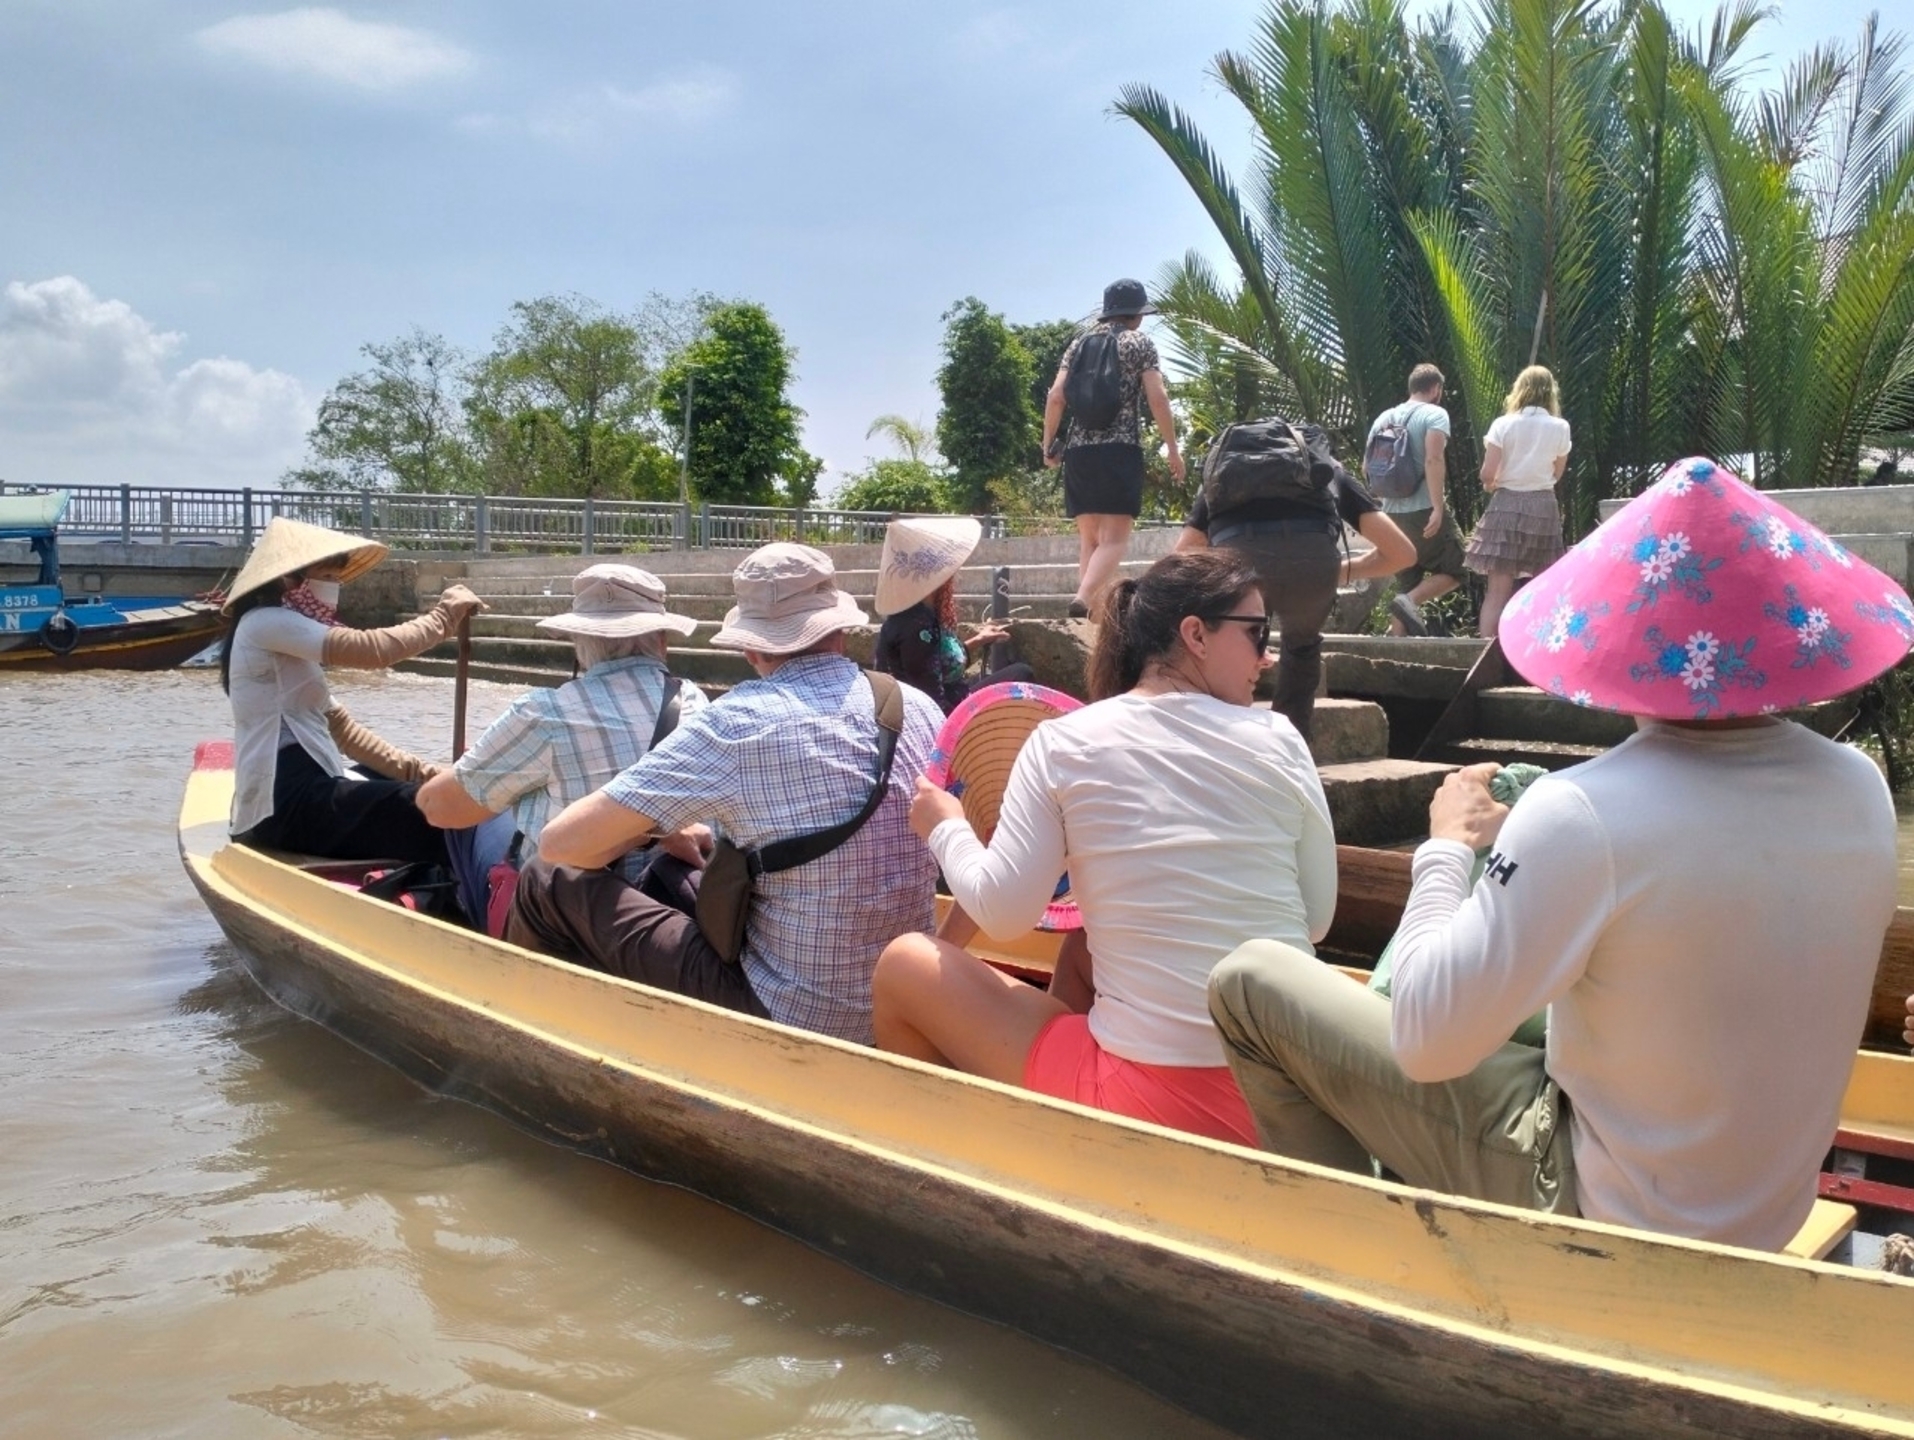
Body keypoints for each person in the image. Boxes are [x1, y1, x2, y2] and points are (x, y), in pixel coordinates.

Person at [1207, 457, 1908, 1251]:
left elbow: (1425, 1041)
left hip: (1604, 1210)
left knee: (1249, 982)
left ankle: (1351, 1254)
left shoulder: (1580, 811)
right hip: (1767, 1215)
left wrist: (1445, 850)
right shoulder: (1862, 787)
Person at [872, 551, 1337, 1146]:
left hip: (1156, 1103)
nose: (1265, 657)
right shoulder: (1282, 737)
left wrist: (945, 826)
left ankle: (954, 1153)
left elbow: (1005, 913)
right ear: (1195, 635)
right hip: (1296, 1098)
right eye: (1256, 633)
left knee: (904, 962)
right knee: (1082, 944)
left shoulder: (1064, 742)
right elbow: (1315, 920)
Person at [507, 543, 943, 1042]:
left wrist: (656, 830)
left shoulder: (736, 722)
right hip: (903, 1002)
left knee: (545, 879)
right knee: (675, 872)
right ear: (840, 631)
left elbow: (560, 844)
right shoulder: (918, 707)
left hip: (790, 1013)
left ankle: (526, 1029)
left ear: (750, 648)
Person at [415, 563, 709, 931]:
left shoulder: (545, 713)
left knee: (471, 817)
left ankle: (479, 928)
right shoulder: (696, 702)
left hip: (560, 923)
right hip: (661, 913)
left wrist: (487, 774)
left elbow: (437, 808)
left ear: (579, 643)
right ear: (662, 640)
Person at [220, 516, 484, 861]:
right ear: (288, 579)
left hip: (310, 782)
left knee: (425, 793)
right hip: (284, 800)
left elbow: (346, 733)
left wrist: (433, 776)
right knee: (428, 812)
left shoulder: (290, 643)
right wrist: (444, 616)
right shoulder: (264, 623)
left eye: (336, 578)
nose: (333, 588)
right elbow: (373, 649)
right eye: (326, 578)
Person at [1175, 429, 1415, 741]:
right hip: (1312, 566)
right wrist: (1333, 573)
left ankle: (1223, 739)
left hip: (1237, 562)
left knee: (1227, 638)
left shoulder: (1225, 473)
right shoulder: (1327, 470)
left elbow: (1183, 555)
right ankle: (1288, 746)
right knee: (1302, 648)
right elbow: (1402, 553)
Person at [1041, 279, 1187, 618]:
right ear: (1136, 313)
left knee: (1090, 541)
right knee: (1115, 540)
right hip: (1120, 449)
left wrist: (1048, 443)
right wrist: (1172, 448)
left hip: (1079, 453)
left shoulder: (1078, 345)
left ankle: (1090, 616)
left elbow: (1056, 396)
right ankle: (1083, 598)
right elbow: (1158, 397)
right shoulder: (1139, 343)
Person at [872, 514, 1032, 714]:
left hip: (953, 698)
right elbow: (932, 701)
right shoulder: (918, 628)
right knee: (1022, 674)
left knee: (1017, 673)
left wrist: (978, 640)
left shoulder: (917, 617)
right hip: (944, 716)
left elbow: (938, 665)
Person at [1467, 365, 1573, 639]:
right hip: (1543, 507)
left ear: (1519, 390)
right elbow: (1556, 473)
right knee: (1541, 587)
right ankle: (1534, 649)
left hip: (1505, 505)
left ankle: (1487, 650)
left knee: (1497, 592)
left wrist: (1492, 484)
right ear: (1551, 393)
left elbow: (1487, 474)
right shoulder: (1560, 427)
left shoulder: (1503, 424)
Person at [1366, 364, 1465, 637]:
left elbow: (1367, 468)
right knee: (1460, 569)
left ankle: (1395, 646)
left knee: (1406, 580)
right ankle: (1410, 601)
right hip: (1423, 510)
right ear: (1435, 389)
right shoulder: (1435, 414)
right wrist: (1437, 507)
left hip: (1391, 514)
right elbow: (1433, 459)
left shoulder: (1383, 418)